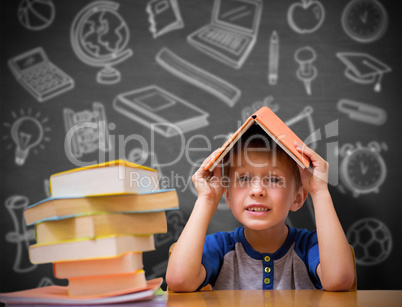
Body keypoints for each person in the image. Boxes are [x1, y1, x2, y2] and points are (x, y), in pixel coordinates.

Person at [166, 125, 355, 292]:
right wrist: (206, 199)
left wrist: (319, 191)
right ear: (228, 197)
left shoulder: (309, 246)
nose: (257, 191)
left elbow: (339, 280)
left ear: (297, 198)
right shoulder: (221, 247)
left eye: (273, 179)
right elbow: (179, 281)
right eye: (244, 178)